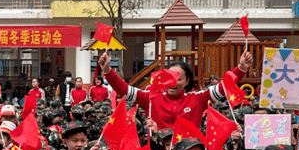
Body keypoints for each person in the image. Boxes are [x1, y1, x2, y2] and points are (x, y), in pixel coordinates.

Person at [97, 50, 253, 130]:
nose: (173, 82)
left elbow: (225, 86)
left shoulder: (197, 99)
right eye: (169, 77)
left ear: (187, 82)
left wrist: (241, 68)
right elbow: (124, 89)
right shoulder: (150, 98)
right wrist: (108, 71)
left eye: (179, 78)